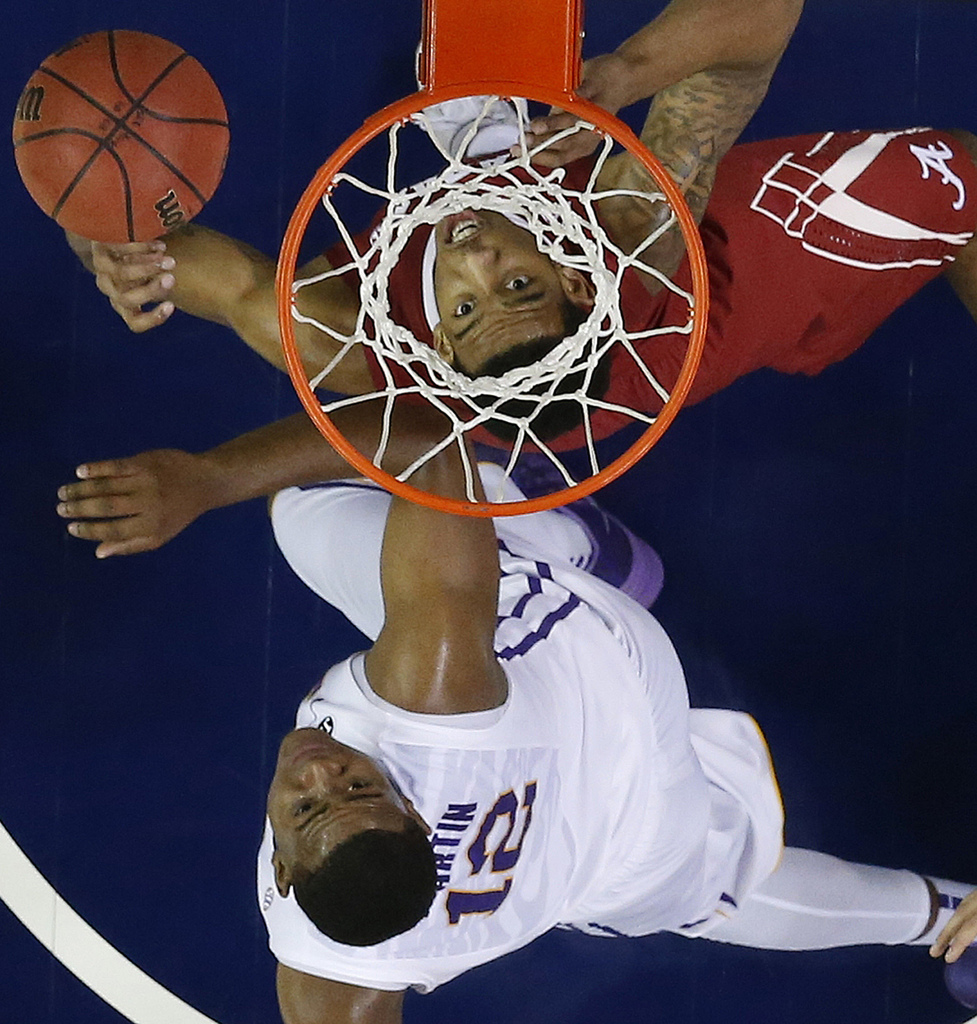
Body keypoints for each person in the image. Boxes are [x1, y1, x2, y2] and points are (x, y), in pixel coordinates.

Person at [53, 403, 977, 1023]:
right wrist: (209, 480)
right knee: (316, 496)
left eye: (311, 806)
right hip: (604, 702)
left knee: (707, 895)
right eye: (351, 787)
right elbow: (423, 438)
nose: (314, 772)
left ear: (284, 879)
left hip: (582, 869)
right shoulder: (430, 689)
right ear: (407, 807)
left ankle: (939, 915)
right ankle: (588, 552)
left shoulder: (332, 974)